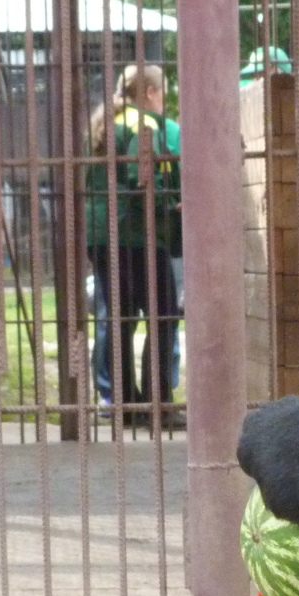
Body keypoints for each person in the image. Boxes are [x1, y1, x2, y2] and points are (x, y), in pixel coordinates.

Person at [85, 63, 181, 429]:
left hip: (103, 235)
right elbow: (142, 180)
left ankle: (124, 402)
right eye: (162, 94)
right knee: (163, 315)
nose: (163, 102)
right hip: (136, 235)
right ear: (151, 92)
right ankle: (158, 403)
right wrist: (169, 206)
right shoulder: (144, 124)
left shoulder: (105, 121)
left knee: (120, 318)